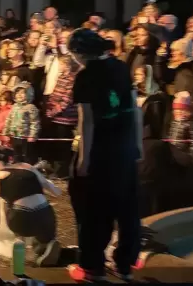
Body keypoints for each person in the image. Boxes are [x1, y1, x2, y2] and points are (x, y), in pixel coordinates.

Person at [67, 28, 142, 282]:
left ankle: (92, 267)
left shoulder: (85, 77)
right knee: (126, 208)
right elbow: (133, 107)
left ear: (79, 53)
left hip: (100, 151)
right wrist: (137, 145)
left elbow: (86, 121)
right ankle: (125, 266)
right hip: (125, 149)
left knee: (93, 210)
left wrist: (83, 159)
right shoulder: (121, 67)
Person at [0, 146, 62, 267]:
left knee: (7, 203)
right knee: (41, 210)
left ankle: (19, 242)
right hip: (46, 218)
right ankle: (45, 245)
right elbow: (57, 192)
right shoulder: (28, 167)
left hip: (21, 220)